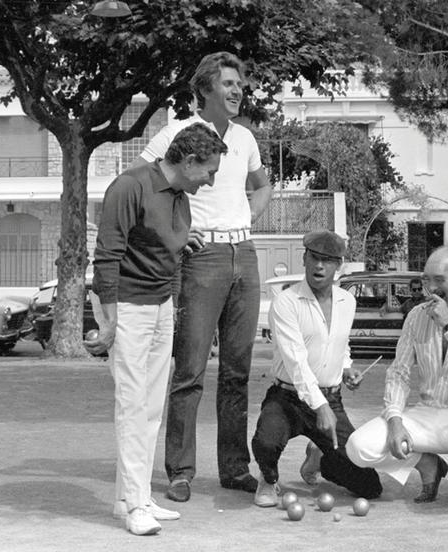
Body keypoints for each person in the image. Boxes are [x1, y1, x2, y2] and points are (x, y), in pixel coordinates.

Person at [132, 52, 272, 502]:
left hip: (243, 256)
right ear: (205, 89)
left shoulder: (246, 138)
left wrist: (244, 220)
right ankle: (180, 470)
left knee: (237, 371)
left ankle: (233, 468)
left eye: (240, 85)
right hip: (200, 258)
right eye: (229, 84)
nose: (237, 91)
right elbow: (142, 182)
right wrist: (178, 230)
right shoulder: (175, 132)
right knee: (189, 370)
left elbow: (263, 186)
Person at [85, 123, 227, 535]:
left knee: (149, 409)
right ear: (187, 161)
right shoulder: (129, 187)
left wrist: (174, 292)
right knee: (131, 406)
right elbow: (107, 258)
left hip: (160, 304)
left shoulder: (180, 196)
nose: (212, 180)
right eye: (209, 171)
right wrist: (109, 324)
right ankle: (134, 510)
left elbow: (168, 252)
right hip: (126, 307)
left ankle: (132, 498)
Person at [346, 246, 448, 506]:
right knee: (358, 447)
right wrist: (396, 420)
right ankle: (426, 463)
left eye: (439, 280)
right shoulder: (416, 317)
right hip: (425, 413)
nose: (431, 289)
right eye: (426, 280)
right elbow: (399, 372)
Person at [251, 231, 382, 506]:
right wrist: (319, 405)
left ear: (339, 266)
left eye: (327, 260)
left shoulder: (348, 301)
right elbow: (295, 360)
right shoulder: (286, 302)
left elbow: (339, 343)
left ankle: (319, 459)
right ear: (304, 258)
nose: (319, 266)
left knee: (369, 487)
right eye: (314, 258)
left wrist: (346, 368)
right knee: (266, 441)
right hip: (287, 398)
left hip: (330, 400)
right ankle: (268, 478)